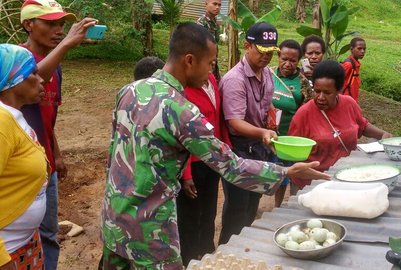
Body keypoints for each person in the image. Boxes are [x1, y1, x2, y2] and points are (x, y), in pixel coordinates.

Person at [100, 22, 329, 269]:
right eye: (210, 64)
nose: (211, 73)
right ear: (189, 60)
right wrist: (285, 171)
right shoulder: (182, 111)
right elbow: (231, 166)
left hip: (114, 217)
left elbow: (113, 155)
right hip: (150, 229)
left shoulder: (130, 90)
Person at [19, 1, 97, 269]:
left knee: (49, 235)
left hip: (47, 165)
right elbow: (27, 80)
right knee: (20, 239)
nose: (59, 30)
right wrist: (66, 45)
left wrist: (58, 155)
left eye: (61, 25)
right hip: (20, 168)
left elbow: (48, 118)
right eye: (51, 23)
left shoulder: (57, 67)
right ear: (29, 25)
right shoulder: (14, 58)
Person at [218, 22, 282, 245]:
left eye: (270, 52)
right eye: (261, 50)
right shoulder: (235, 80)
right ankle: (226, 253)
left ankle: (244, 250)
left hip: (259, 148)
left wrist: (270, 119)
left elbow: (265, 107)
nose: (266, 57)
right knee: (237, 207)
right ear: (247, 45)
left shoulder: (267, 75)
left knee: (252, 205)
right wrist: (263, 131)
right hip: (239, 151)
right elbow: (234, 123)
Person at [288, 60, 392, 193]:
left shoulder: (349, 104)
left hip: (346, 179)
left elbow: (363, 126)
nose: (320, 97)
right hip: (311, 185)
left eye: (327, 92)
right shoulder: (303, 114)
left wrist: (383, 135)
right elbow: (293, 153)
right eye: (317, 91)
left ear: (339, 90)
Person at [0, 44, 48, 270]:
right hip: (8, 252)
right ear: (12, 78)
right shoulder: (1, 122)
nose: (42, 80)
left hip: (24, 243)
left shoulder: (14, 115)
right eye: (33, 73)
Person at [176, 71, 229, 266]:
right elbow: (181, 138)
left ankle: (206, 251)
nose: (210, 67)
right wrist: (186, 173)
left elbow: (217, 117)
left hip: (212, 158)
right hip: (193, 161)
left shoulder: (211, 79)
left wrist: (224, 149)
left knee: (209, 210)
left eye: (212, 62)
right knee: (190, 214)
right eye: (208, 61)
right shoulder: (183, 89)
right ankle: (189, 257)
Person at [270, 39, 313, 207]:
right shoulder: (269, 74)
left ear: (298, 61)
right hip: (270, 135)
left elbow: (308, 108)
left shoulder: (303, 82)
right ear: (278, 57)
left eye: (293, 61)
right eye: (284, 59)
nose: (287, 64)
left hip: (291, 137)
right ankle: (275, 205)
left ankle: (282, 206)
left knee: (288, 173)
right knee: (272, 172)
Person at [197, 0, 222, 81]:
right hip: (204, 64)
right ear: (206, 4)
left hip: (213, 62)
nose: (217, 7)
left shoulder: (215, 23)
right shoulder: (201, 23)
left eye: (219, 5)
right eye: (214, 4)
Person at [341, 37, 366, 103]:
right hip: (345, 101)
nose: (363, 51)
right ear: (351, 49)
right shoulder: (348, 65)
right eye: (359, 48)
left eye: (364, 49)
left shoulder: (356, 65)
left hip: (352, 100)